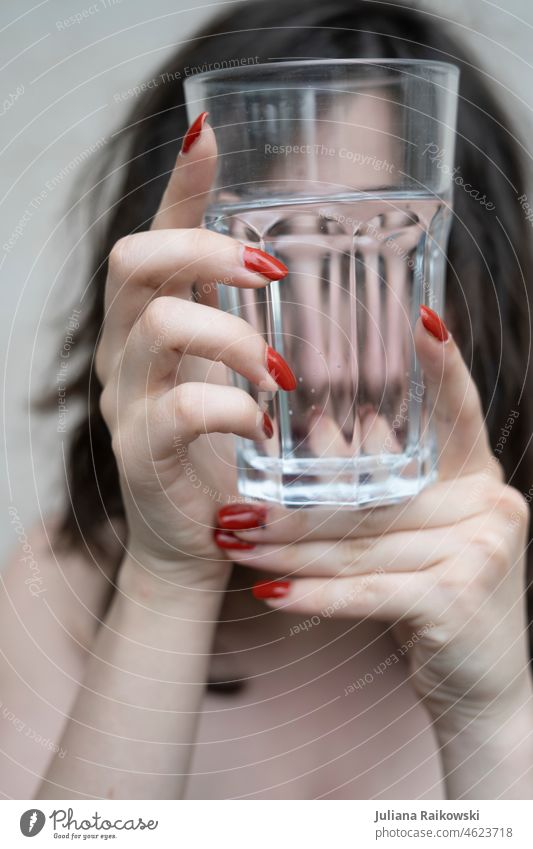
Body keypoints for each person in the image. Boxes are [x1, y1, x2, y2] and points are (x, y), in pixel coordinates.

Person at [1, 0, 532, 800]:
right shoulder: (64, 585)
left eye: (373, 251)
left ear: (469, 283)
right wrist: (167, 578)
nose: (312, 343)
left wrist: (490, 714)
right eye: (261, 267)